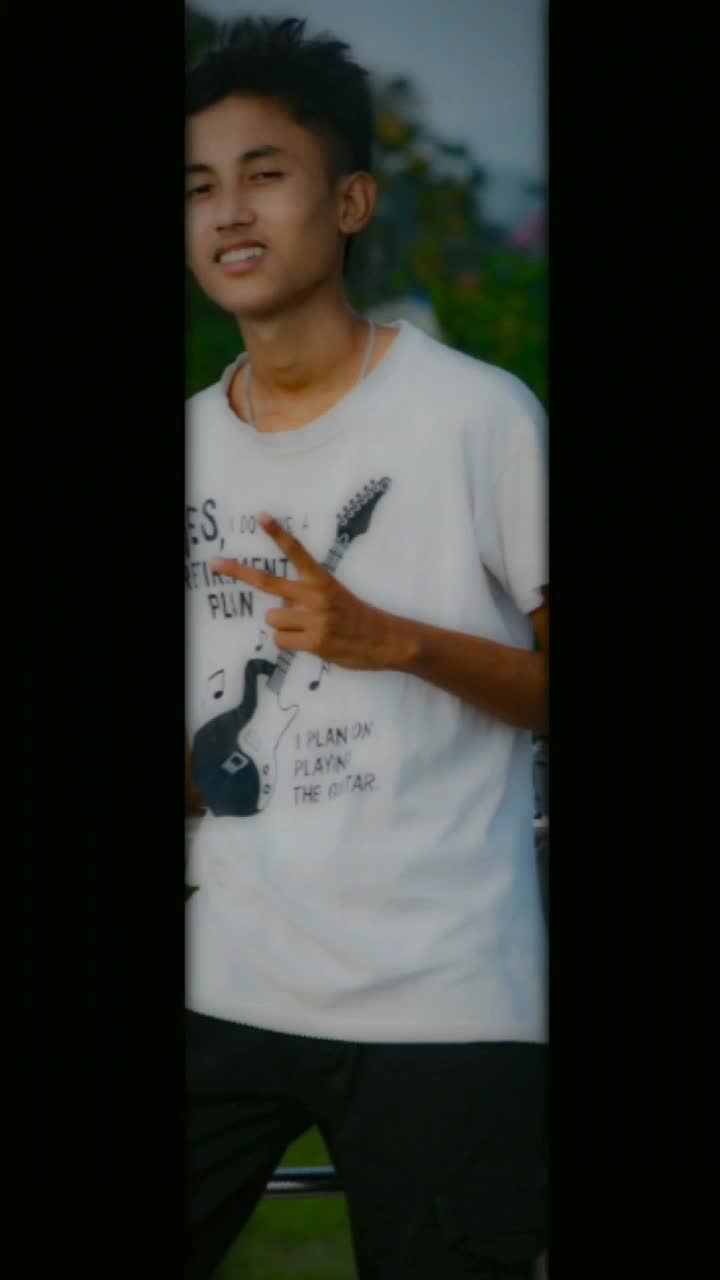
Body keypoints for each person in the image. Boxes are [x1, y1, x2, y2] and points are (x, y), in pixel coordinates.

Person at [185, 18, 548, 1280]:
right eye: (198, 184)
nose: (229, 210)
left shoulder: (478, 417)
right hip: (222, 980)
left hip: (443, 997)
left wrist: (390, 639)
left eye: (264, 173)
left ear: (349, 202)